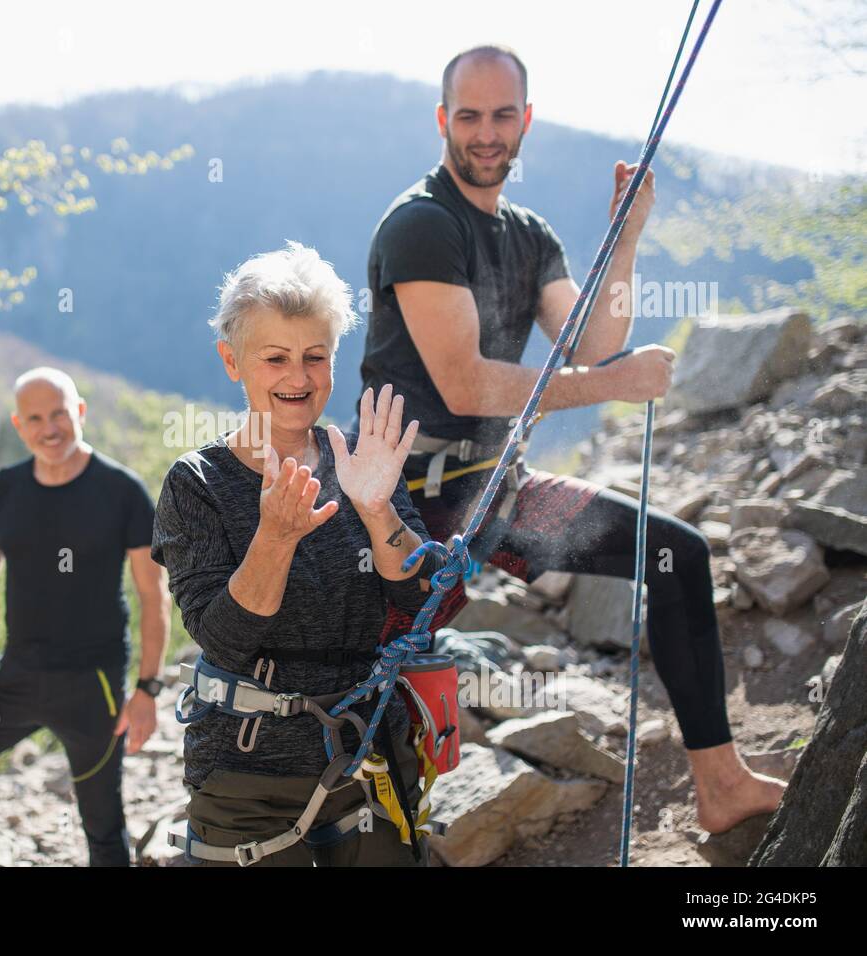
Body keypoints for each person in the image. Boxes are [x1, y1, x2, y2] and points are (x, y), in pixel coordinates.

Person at [358, 43, 785, 834]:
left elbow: (591, 341)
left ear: (527, 121)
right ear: (443, 121)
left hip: (496, 493)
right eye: (470, 116)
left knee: (677, 555)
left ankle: (721, 784)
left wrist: (625, 238)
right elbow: (467, 383)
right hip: (407, 509)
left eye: (503, 115)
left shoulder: (527, 233)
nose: (487, 133)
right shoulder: (423, 226)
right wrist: (609, 388)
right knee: (370, 690)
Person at [151, 241, 464, 867]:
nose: (298, 378)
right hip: (247, 771)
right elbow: (224, 639)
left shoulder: (363, 461)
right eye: (275, 358)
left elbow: (427, 605)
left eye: (314, 357)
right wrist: (274, 536)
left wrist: (378, 512)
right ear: (232, 361)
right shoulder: (198, 484)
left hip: (367, 753)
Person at [0, 366, 169, 867]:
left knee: (102, 828)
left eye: (58, 414)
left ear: (79, 412)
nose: (49, 428)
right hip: (16, 679)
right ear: (18, 425)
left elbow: (151, 592)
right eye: (35, 418)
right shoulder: (4, 490)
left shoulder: (122, 490)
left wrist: (147, 689)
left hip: (93, 686)